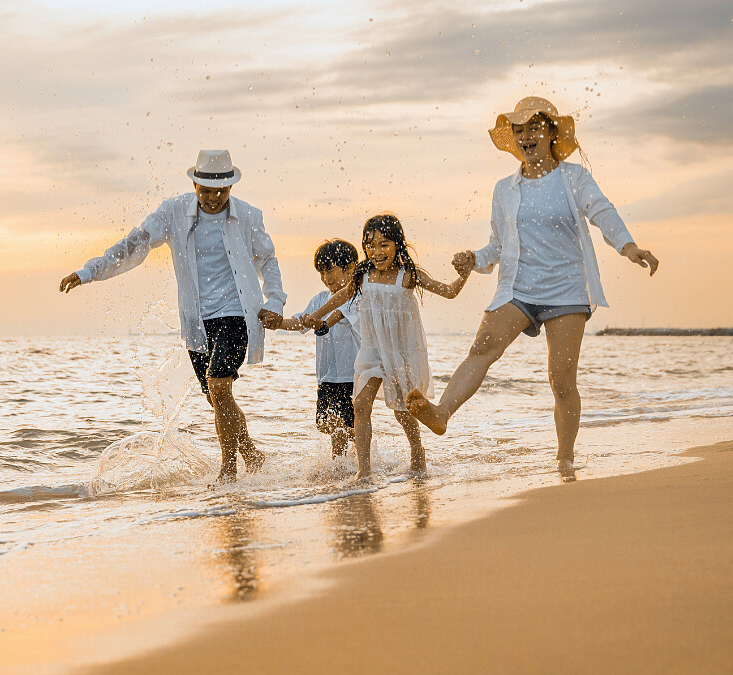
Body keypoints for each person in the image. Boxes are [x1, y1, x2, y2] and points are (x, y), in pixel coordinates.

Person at [405, 96, 660, 472]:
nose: (526, 137)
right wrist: (475, 258)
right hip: (518, 287)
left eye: (534, 128)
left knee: (561, 378)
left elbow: (602, 211)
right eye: (519, 130)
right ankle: (441, 412)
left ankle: (565, 458)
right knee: (483, 348)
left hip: (567, 290)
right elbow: (497, 244)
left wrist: (628, 246)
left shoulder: (574, 178)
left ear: (551, 132)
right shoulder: (504, 189)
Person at [59, 149, 286, 482]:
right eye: (205, 190)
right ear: (194, 183)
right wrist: (89, 271)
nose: (213, 198)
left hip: (237, 311)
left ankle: (229, 470)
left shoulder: (249, 216)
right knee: (217, 398)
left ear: (231, 186)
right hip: (197, 321)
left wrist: (275, 301)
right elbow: (133, 245)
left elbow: (268, 261)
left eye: (221, 191)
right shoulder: (173, 212)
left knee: (219, 384)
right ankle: (250, 452)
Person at [303, 214, 470, 479]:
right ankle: (364, 470)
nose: (376, 252)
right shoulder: (363, 275)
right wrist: (316, 316)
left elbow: (448, 291)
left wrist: (464, 274)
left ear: (398, 244)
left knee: (402, 411)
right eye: (370, 245)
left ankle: (417, 450)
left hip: (400, 352)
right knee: (360, 405)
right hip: (372, 350)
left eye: (384, 245)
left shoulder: (407, 275)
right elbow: (340, 297)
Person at [272, 239, 361, 458]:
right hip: (327, 376)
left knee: (343, 423)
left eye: (330, 271)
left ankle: (351, 462)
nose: (325, 278)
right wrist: (277, 323)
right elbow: (301, 322)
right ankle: (348, 457)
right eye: (321, 273)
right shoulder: (321, 298)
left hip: (350, 374)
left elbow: (332, 318)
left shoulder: (357, 297)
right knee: (326, 425)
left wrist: (318, 322)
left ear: (350, 267)